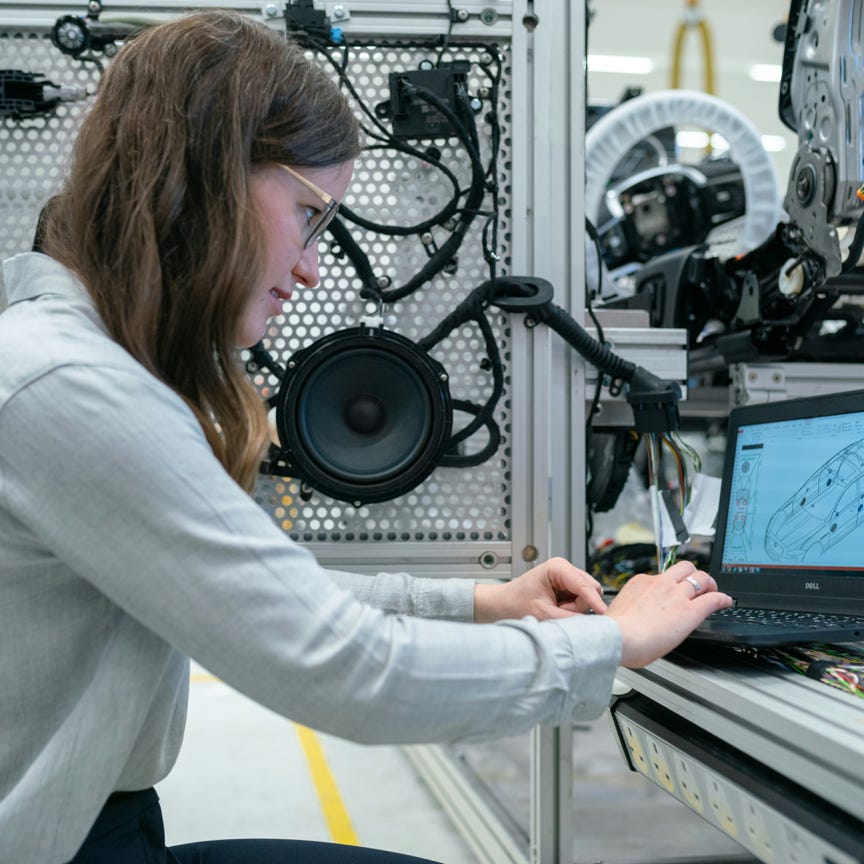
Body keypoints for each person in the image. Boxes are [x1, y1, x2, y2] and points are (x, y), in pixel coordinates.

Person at [0, 10, 732, 864]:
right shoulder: (73, 388)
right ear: (203, 180)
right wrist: (611, 640)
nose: (311, 267)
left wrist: (484, 603)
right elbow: (346, 669)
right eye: (308, 215)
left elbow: (260, 590)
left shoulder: (66, 363)